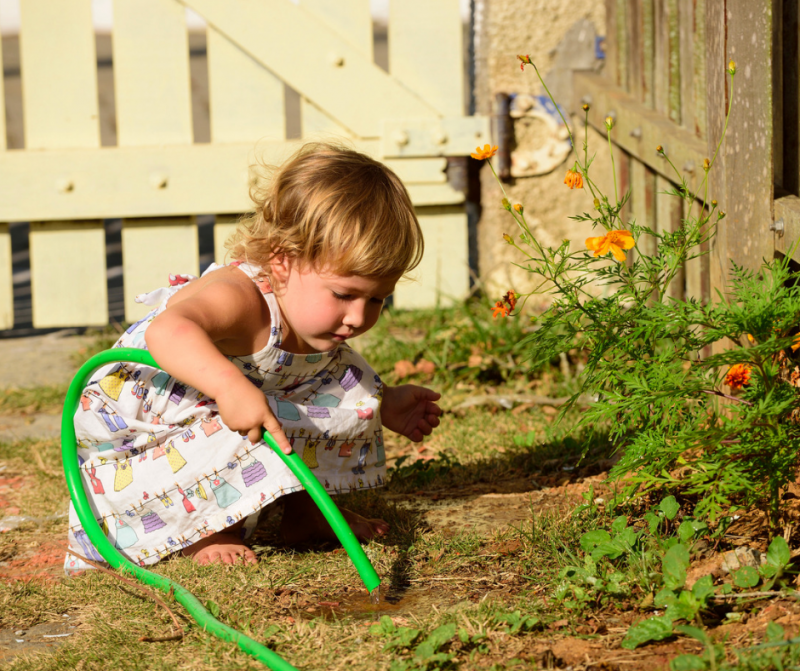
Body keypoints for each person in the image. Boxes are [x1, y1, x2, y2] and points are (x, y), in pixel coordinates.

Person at [65, 144, 442, 570]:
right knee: (245, 412)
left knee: (326, 389)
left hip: (209, 408)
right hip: (140, 433)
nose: (357, 316)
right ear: (282, 260)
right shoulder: (239, 297)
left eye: (377, 299)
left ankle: (306, 513)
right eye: (344, 294)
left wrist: (383, 403)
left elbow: (332, 380)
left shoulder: (314, 320)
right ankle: (203, 532)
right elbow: (166, 331)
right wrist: (229, 386)